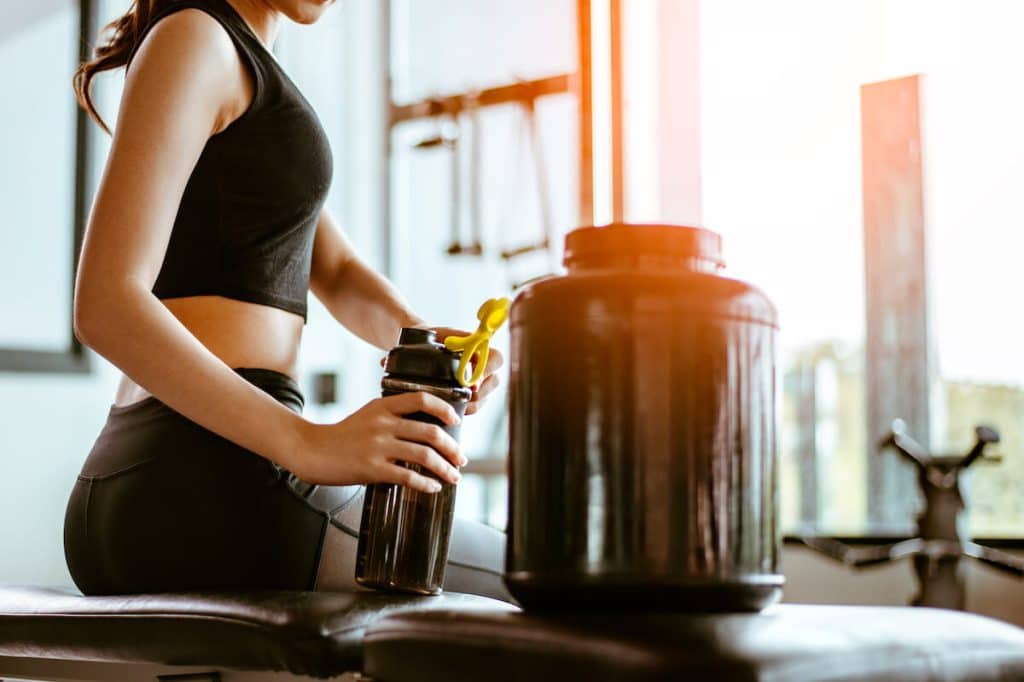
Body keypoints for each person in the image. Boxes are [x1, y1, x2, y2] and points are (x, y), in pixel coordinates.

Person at [63, 0, 510, 601]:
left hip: (167, 480)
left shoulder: (247, 64)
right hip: (209, 478)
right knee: (541, 582)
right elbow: (105, 304)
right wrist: (311, 445)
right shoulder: (198, 36)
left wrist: (430, 343)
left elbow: (339, 270)